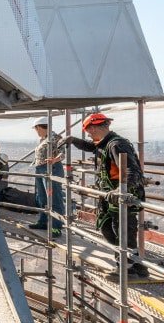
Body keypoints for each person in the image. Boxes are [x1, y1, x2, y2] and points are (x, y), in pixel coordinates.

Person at [61, 112, 146, 275]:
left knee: (122, 230)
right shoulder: (105, 143)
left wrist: (122, 190)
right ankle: (137, 266)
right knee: (108, 227)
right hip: (110, 194)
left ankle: (127, 268)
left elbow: (132, 171)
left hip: (120, 195)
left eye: (89, 130)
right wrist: (73, 140)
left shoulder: (116, 145)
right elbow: (92, 147)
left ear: (94, 127)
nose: (88, 133)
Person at [30, 117, 64, 235]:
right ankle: (43, 222)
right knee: (42, 197)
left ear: (40, 127)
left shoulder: (55, 138)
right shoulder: (43, 139)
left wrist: (55, 159)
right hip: (40, 169)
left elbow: (63, 152)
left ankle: (56, 227)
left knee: (54, 198)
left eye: (36, 129)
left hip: (51, 169)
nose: (36, 131)